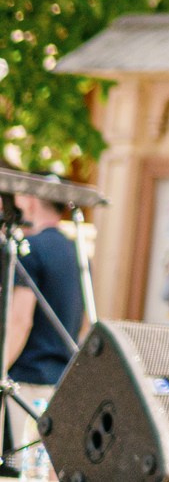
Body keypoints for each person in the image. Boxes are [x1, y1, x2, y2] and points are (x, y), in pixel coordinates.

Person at [3, 191, 87, 477]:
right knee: (47, 467)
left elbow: (19, 320)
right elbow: (84, 319)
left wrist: (1, 368)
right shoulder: (76, 249)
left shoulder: (31, 248)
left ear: (30, 200)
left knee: (22, 467)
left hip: (27, 376)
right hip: (62, 376)